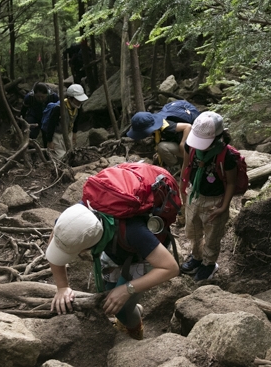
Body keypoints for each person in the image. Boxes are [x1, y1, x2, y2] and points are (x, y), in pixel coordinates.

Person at [46, 203, 179, 340]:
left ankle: (135, 333)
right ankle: (134, 309)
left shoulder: (135, 232)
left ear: (90, 246)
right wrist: (62, 287)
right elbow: (54, 240)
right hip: (115, 249)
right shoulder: (74, 219)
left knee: (121, 308)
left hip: (143, 256)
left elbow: (170, 268)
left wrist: (127, 290)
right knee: (109, 297)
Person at [179, 111, 237, 281]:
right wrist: (183, 189)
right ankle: (196, 257)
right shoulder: (191, 147)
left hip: (215, 199)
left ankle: (209, 263)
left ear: (217, 137)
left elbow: (231, 183)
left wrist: (224, 206)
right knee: (192, 230)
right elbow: (185, 167)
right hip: (194, 194)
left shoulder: (227, 156)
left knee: (212, 234)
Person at [126, 111, 192, 170]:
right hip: (177, 142)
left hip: (190, 148)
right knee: (160, 148)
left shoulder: (167, 126)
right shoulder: (156, 126)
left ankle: (176, 167)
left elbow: (188, 127)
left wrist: (182, 143)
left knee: (162, 147)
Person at [42, 84, 88, 158]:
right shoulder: (59, 108)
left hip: (68, 133)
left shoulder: (77, 107)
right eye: (77, 100)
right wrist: (50, 141)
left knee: (70, 155)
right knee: (61, 157)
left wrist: (74, 133)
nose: (79, 102)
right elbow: (51, 125)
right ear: (70, 98)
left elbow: (75, 120)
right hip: (57, 136)